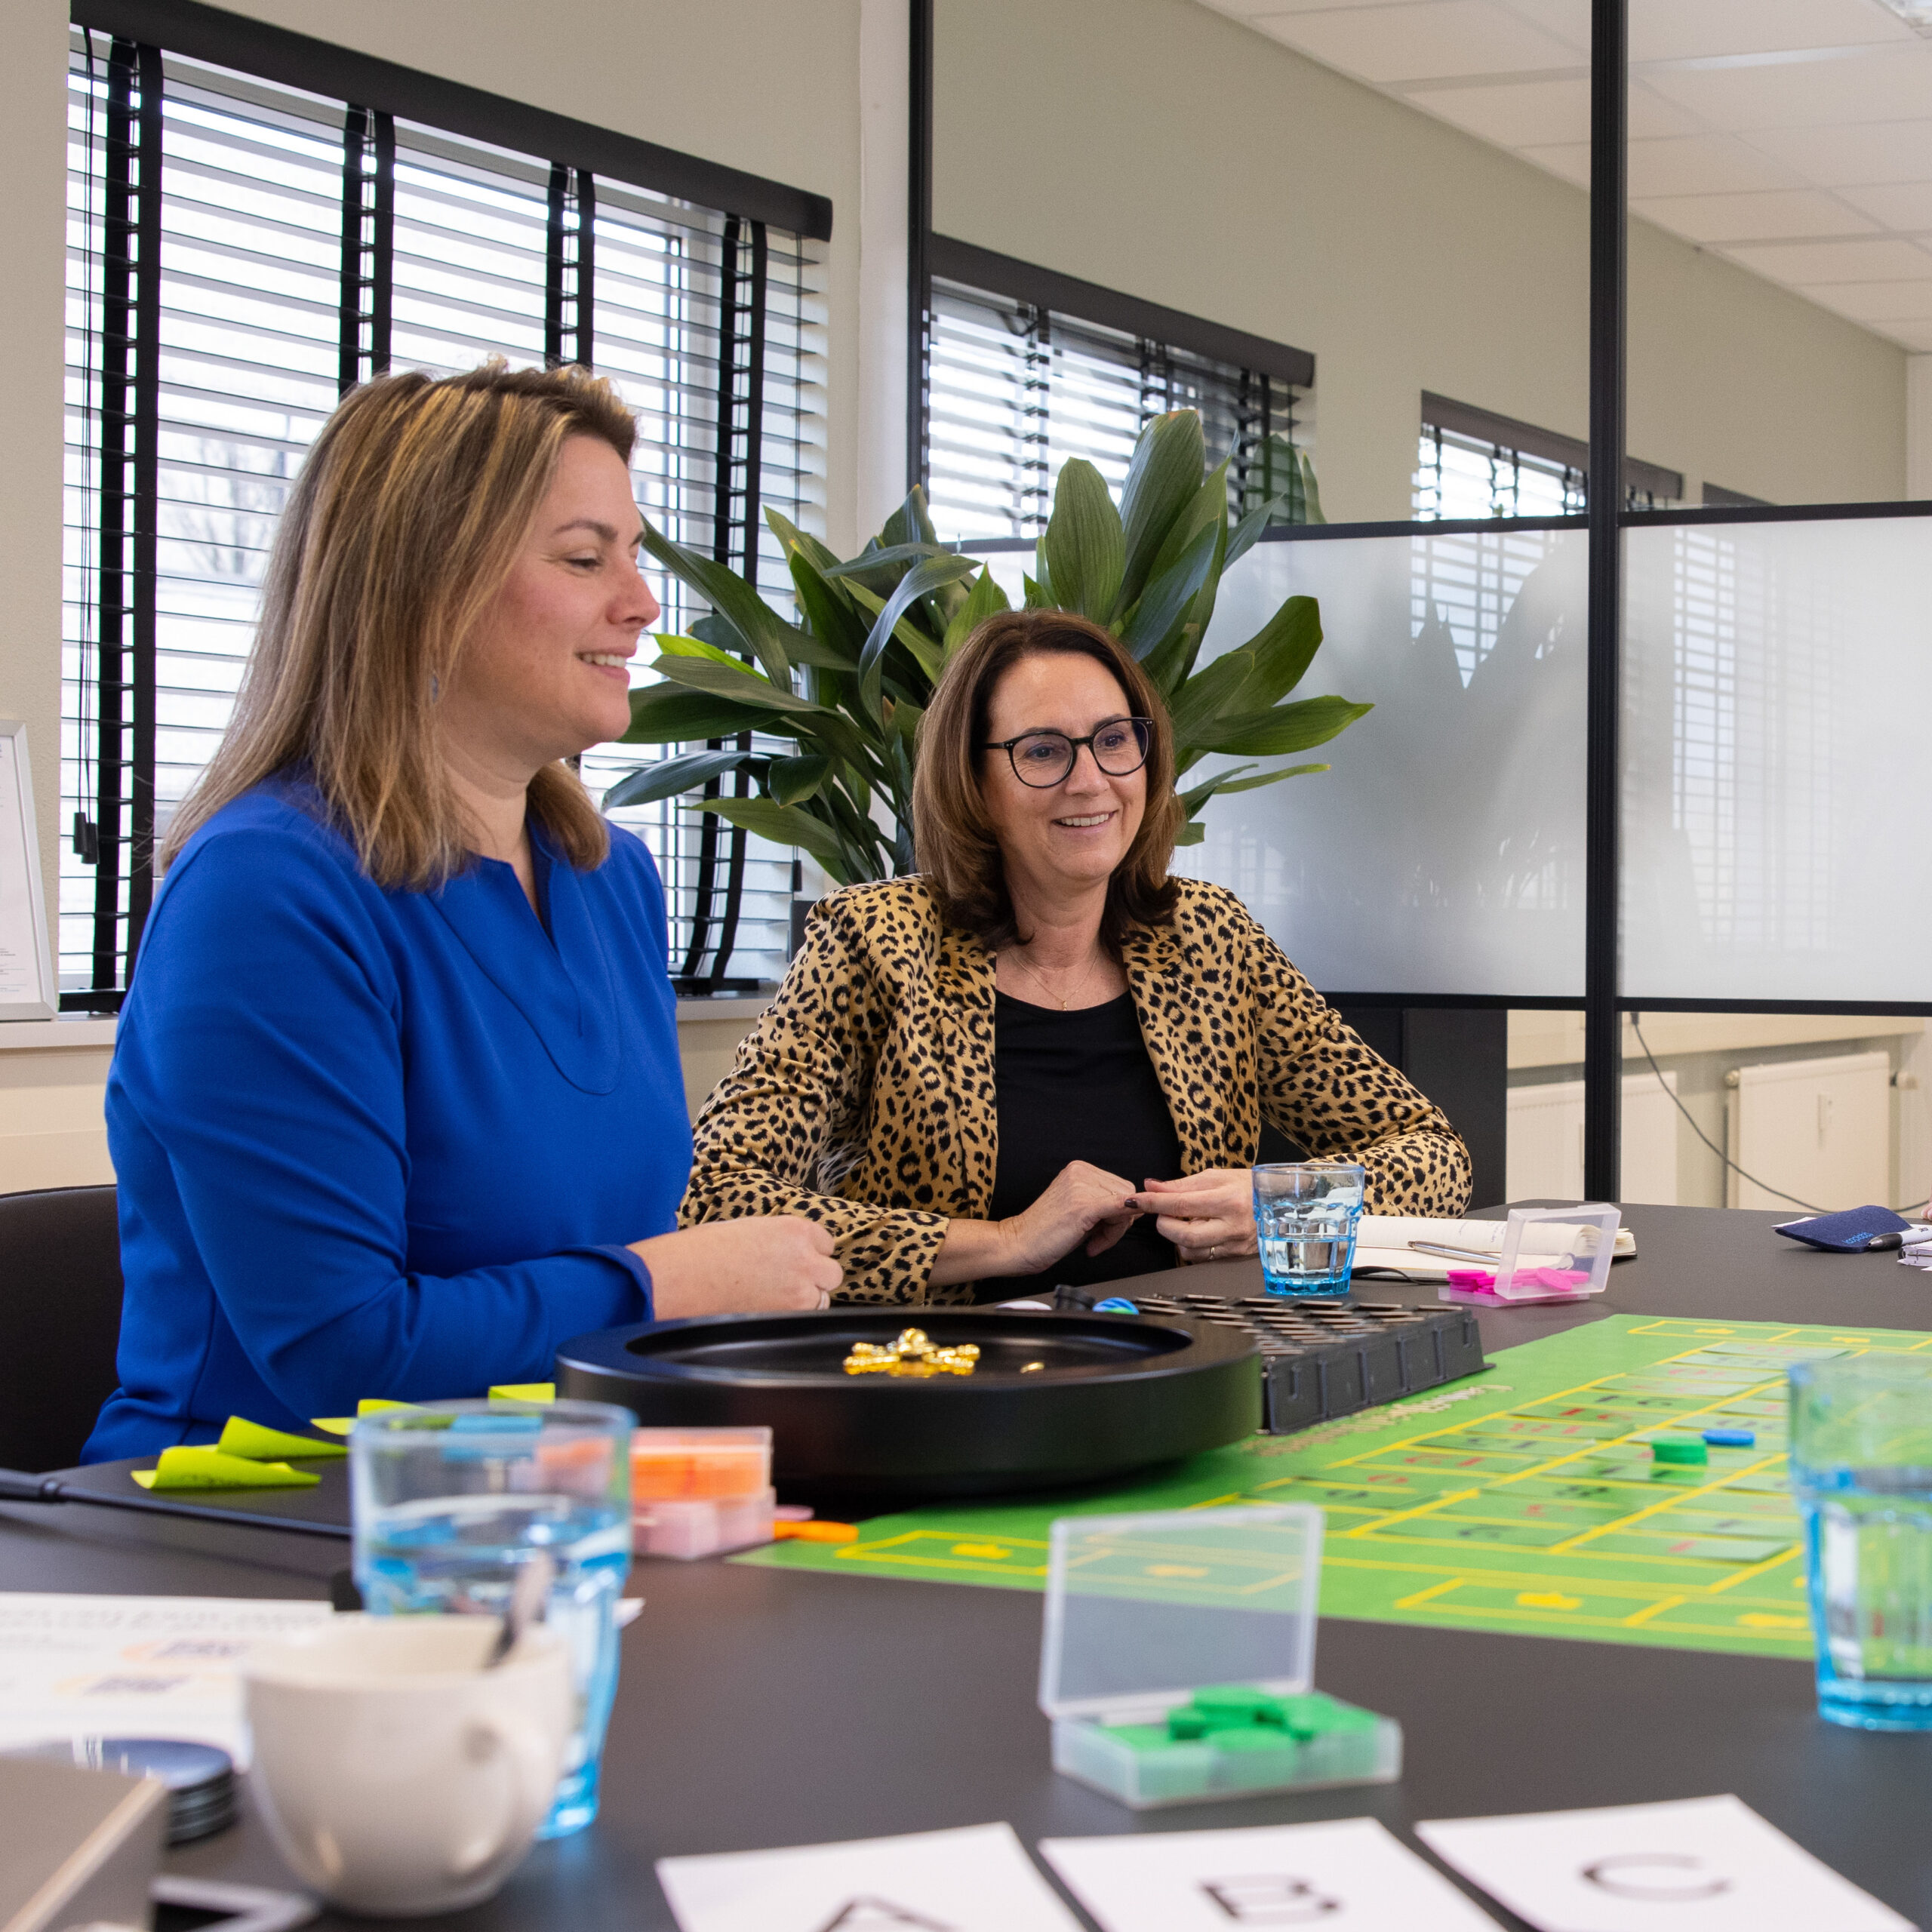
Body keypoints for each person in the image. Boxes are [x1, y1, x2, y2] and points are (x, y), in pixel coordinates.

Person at [85, 363, 838, 1461]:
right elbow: (343, 1352)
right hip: (265, 1525)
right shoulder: (266, 892)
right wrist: (668, 1285)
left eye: (632, 555)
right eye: (586, 558)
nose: (641, 602)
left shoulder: (610, 881)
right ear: (426, 588)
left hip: (557, 1494)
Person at [681, 609, 1472, 1304]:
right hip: (942, 1398)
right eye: (1043, 751)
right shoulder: (873, 941)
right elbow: (717, 1200)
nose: (1090, 780)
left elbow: (1433, 1157)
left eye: (1113, 740)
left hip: (1187, 1375)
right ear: (975, 779)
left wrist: (1284, 1203)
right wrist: (1006, 1240)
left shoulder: (1210, 938)